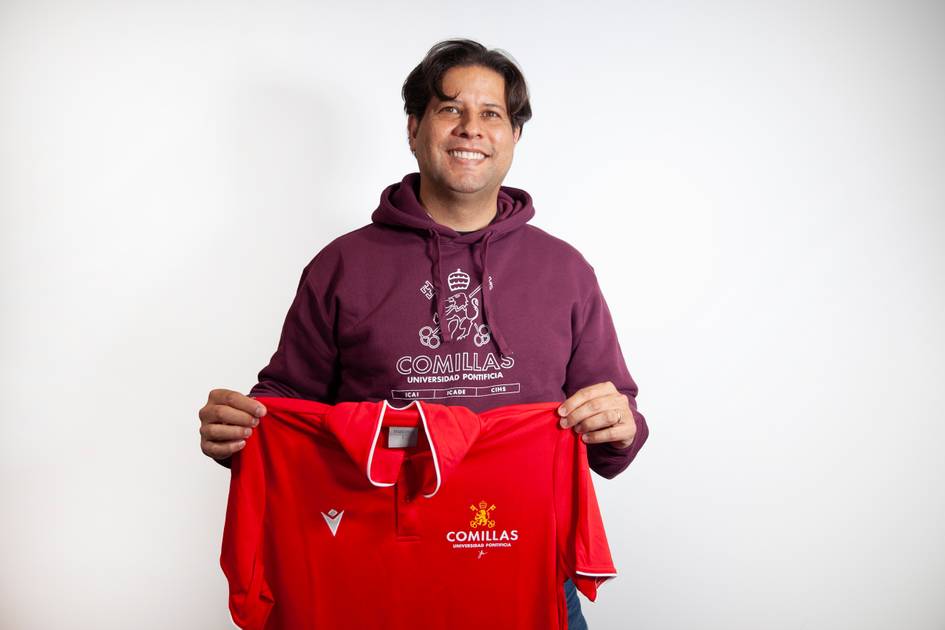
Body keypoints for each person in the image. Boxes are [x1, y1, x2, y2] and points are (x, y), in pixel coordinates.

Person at [200, 38, 649, 629]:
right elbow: (287, 401)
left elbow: (617, 432)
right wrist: (241, 434)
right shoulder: (342, 265)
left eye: (492, 114)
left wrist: (617, 426)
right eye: (449, 109)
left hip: (527, 570)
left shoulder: (565, 271)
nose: (471, 129)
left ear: (514, 136)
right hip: (376, 573)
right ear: (414, 129)